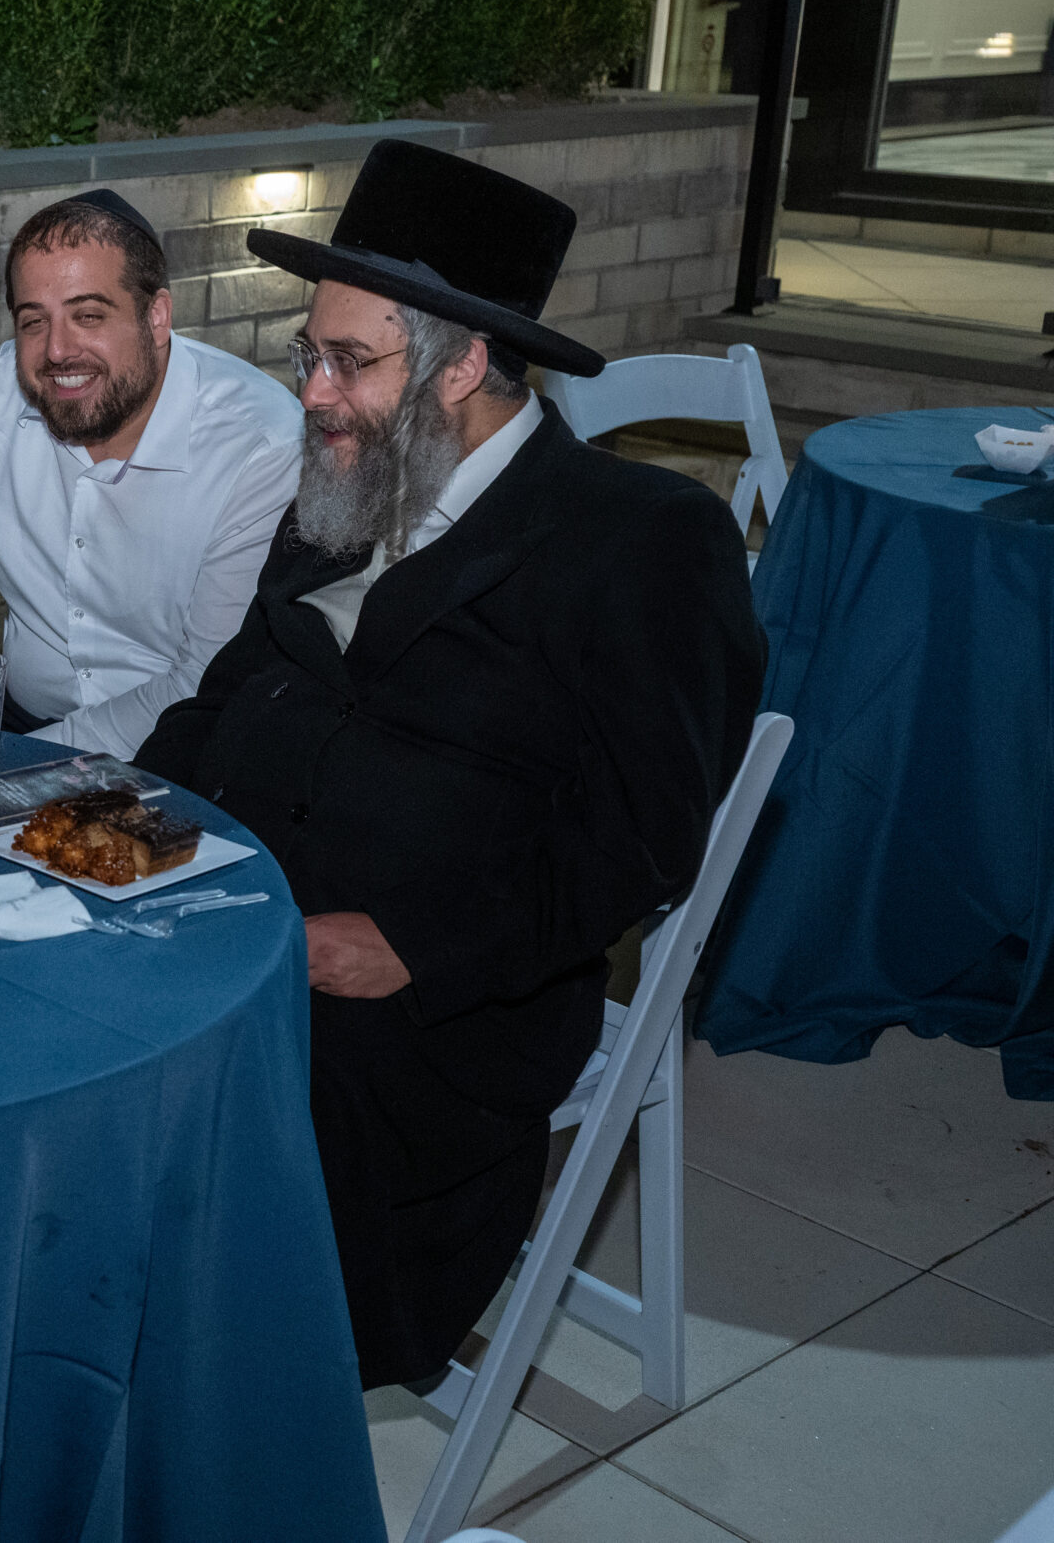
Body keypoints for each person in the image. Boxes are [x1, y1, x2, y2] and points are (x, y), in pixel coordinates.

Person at [131, 140, 765, 1390]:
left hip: (427, 1015)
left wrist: (413, 945)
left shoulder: (639, 538)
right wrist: (115, 820)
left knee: (171, 1164)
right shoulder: (345, 487)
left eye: (348, 363)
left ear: (463, 366)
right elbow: (221, 700)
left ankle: (201, 1402)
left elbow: (643, 835)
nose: (314, 395)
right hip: (231, 918)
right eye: (308, 356)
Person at [0, 190, 300, 760]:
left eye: (88, 315)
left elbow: (206, 681)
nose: (56, 350)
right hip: (17, 718)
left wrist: (17, 770)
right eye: (33, 322)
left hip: (178, 745)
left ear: (156, 317)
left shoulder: (258, 446)